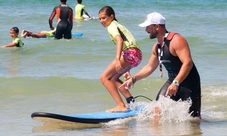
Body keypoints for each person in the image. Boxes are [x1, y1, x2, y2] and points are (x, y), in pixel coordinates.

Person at [121, 12, 201, 118]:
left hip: (189, 83)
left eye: (148, 27)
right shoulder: (156, 47)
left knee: (194, 119)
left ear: (157, 26)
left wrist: (176, 83)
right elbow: (149, 67)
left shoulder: (176, 40)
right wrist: (133, 79)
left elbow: (188, 63)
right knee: (156, 109)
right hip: (172, 82)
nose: (146, 30)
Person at [98, 6, 142, 112]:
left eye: (103, 18)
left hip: (129, 53)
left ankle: (120, 105)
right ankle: (130, 102)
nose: (101, 21)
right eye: (99, 19)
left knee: (104, 78)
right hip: (136, 54)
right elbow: (129, 44)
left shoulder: (111, 26)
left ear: (111, 16)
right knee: (113, 78)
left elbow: (120, 41)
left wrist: (117, 59)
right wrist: (127, 69)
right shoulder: (117, 25)